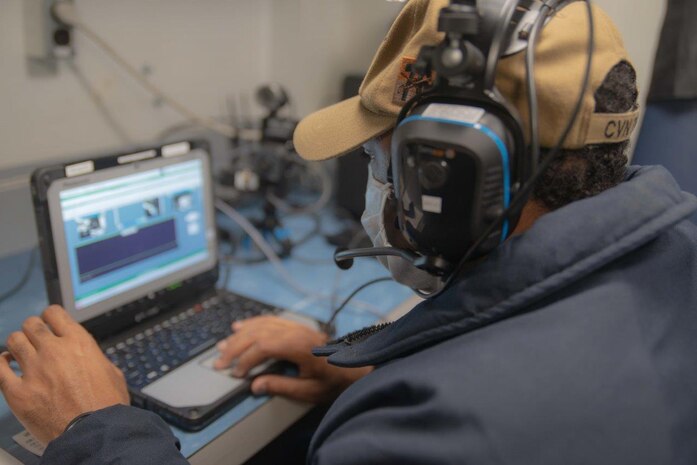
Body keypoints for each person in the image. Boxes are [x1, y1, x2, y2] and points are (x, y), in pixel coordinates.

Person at [2, 1, 697, 464]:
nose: (372, 187)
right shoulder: (674, 259)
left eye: (378, 160)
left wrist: (93, 428)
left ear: (454, 181)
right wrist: (366, 372)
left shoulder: (442, 430)